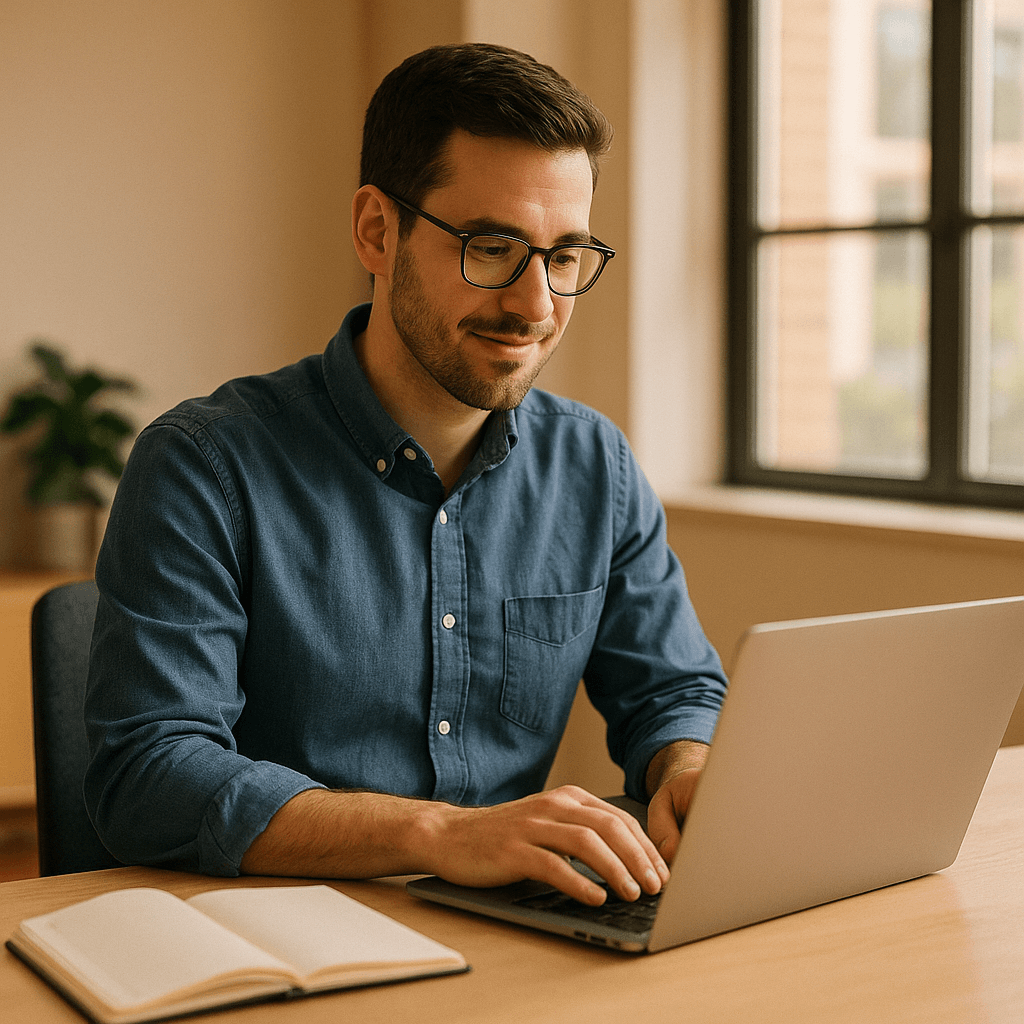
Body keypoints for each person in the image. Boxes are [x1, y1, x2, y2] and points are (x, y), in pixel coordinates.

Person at [84, 42, 727, 908]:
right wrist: (440, 834)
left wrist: (686, 766)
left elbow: (674, 688)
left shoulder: (593, 464)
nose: (536, 305)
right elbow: (149, 774)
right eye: (492, 247)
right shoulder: (205, 466)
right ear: (377, 231)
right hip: (277, 940)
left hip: (512, 935)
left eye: (565, 256)